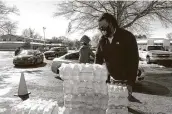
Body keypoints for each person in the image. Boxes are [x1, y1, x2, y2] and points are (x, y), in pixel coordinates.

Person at [95, 13, 139, 98]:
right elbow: (98, 58)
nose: (102, 30)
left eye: (103, 27)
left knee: (122, 106)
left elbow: (134, 60)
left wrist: (130, 82)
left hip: (125, 81)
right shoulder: (102, 40)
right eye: (100, 28)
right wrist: (96, 77)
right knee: (112, 106)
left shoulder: (127, 36)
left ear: (111, 24)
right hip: (111, 80)